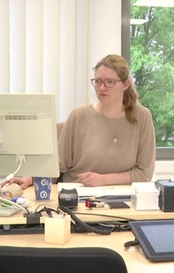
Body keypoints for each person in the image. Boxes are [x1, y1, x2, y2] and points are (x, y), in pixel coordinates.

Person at [10, 54, 155, 188]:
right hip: (78, 195)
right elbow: (56, 166)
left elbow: (144, 173)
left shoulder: (142, 117)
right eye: (97, 81)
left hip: (123, 199)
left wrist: (103, 180)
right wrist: (28, 179)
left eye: (110, 82)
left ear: (125, 85)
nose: (102, 88)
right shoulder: (79, 116)